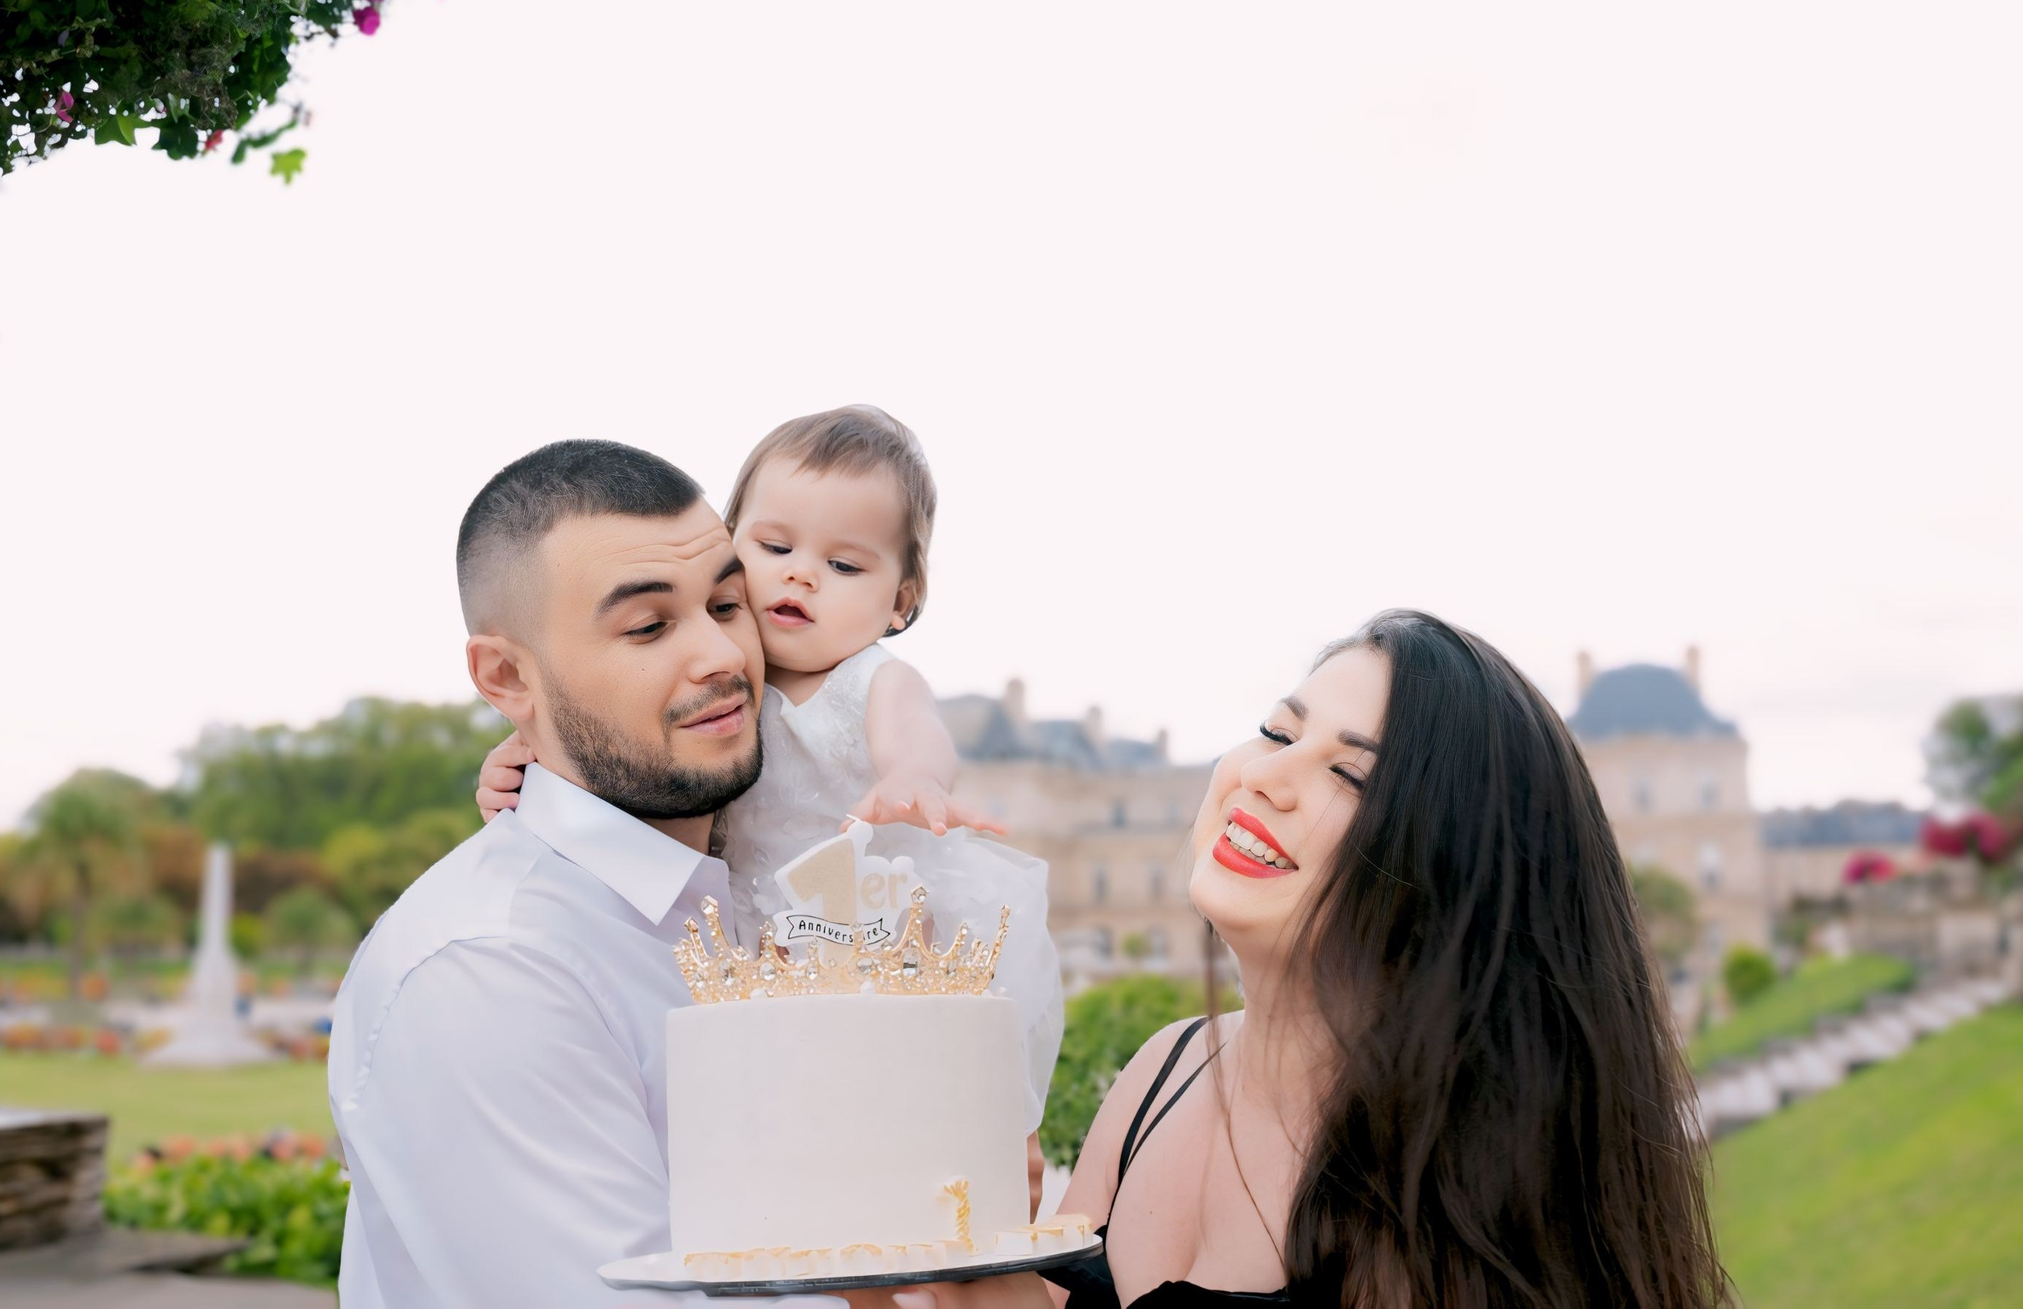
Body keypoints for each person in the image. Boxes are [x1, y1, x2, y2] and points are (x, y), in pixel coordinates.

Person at [862, 611, 1728, 1309]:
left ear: (1455, 869)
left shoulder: (1451, 1183)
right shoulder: (1165, 1069)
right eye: (1278, 731)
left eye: (1352, 776)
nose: (1267, 777)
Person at [328, 439, 853, 1307]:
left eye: (728, 602)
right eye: (648, 627)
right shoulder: (491, 967)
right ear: (507, 675)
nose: (721, 655)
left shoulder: (767, 890)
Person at [479, 405, 1066, 1119]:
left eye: (844, 564)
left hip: (873, 919)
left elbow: (914, 730)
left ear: (900, 602)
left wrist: (912, 775)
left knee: (907, 1085)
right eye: (774, 548)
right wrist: (526, 759)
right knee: (781, 1095)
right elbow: (616, 752)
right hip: (760, 924)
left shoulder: (870, 677)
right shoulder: (720, 682)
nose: (802, 576)